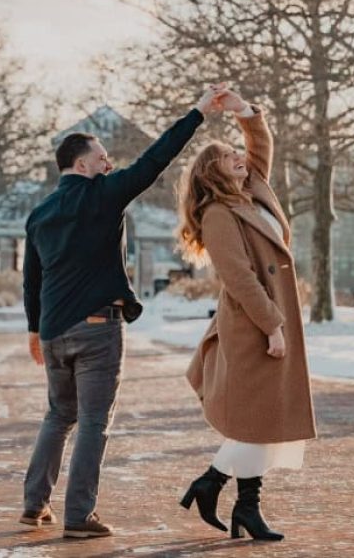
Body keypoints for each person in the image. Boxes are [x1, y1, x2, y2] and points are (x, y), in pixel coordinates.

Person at [20, 88, 219, 539]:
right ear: (82, 164)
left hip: (52, 333)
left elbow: (32, 280)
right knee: (92, 421)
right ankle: (78, 516)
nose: (109, 164)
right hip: (95, 330)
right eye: (103, 157)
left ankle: (34, 505)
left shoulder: (39, 214)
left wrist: (34, 331)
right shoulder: (103, 195)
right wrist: (198, 112)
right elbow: (156, 159)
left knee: (58, 415)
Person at [179, 87, 316, 542]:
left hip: (272, 317)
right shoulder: (219, 213)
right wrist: (272, 325)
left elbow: (260, 146)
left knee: (262, 418)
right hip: (252, 323)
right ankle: (215, 486)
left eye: (236, 152)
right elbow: (238, 278)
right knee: (258, 419)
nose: (238, 156)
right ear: (210, 172)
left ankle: (241, 505)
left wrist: (241, 111)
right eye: (226, 156)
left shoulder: (252, 190)